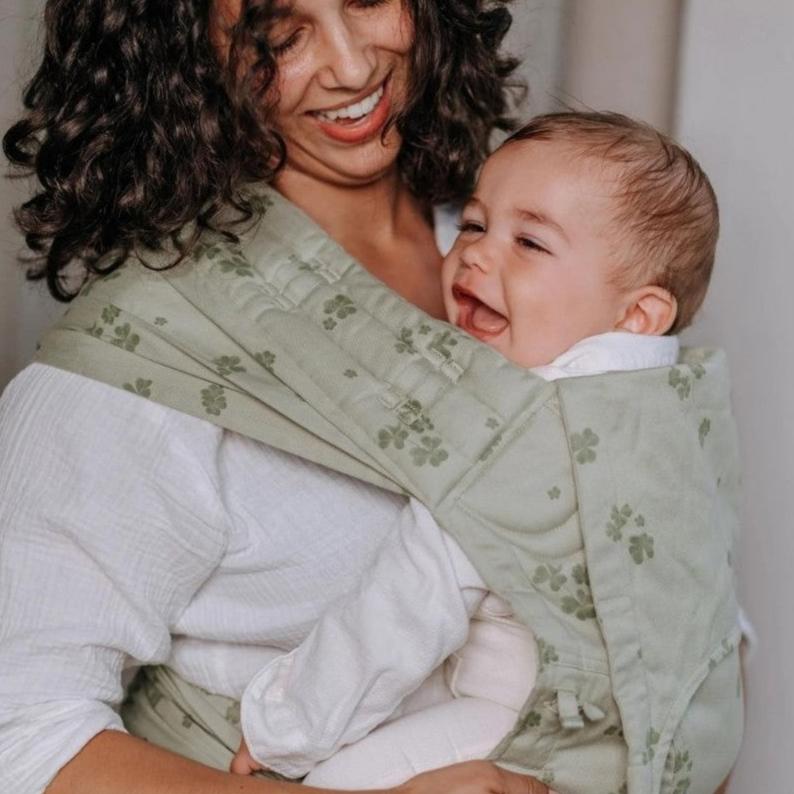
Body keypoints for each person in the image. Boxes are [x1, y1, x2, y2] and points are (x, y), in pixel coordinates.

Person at [0, 1, 553, 793]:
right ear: (187, 55)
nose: (353, 68)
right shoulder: (144, 358)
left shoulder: (532, 246)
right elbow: (23, 735)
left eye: (366, 0)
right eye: (283, 35)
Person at [229, 112, 723, 789]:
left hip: (527, 729)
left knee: (330, 782)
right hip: (662, 739)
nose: (479, 254)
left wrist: (283, 729)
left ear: (636, 316)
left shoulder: (511, 435)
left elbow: (401, 610)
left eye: (530, 242)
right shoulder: (676, 420)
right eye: (473, 224)